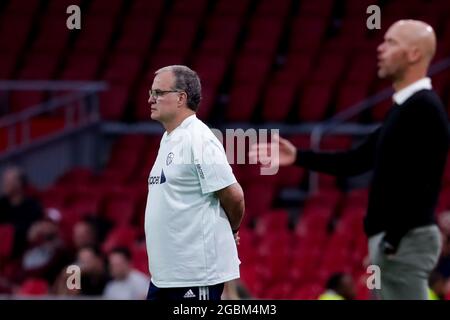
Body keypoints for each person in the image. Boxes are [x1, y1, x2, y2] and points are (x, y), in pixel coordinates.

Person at [250, 20, 449, 300]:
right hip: (396, 241)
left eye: (391, 43)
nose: (380, 48)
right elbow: (355, 161)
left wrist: (393, 240)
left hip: (403, 241)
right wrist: (298, 156)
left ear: (414, 54)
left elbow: (422, 180)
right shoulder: (405, 109)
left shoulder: (423, 108)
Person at [144, 65, 245, 300]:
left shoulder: (199, 138)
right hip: (164, 277)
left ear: (181, 98)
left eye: (158, 93)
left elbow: (234, 195)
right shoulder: (169, 138)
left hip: (195, 277)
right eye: (151, 92)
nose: (151, 99)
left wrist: (232, 229)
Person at [0, 166, 43, 258]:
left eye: (8, 181)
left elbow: (31, 232)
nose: (5, 184)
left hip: (22, 253)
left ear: (19, 183)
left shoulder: (32, 206)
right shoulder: (2, 204)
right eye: (5, 181)